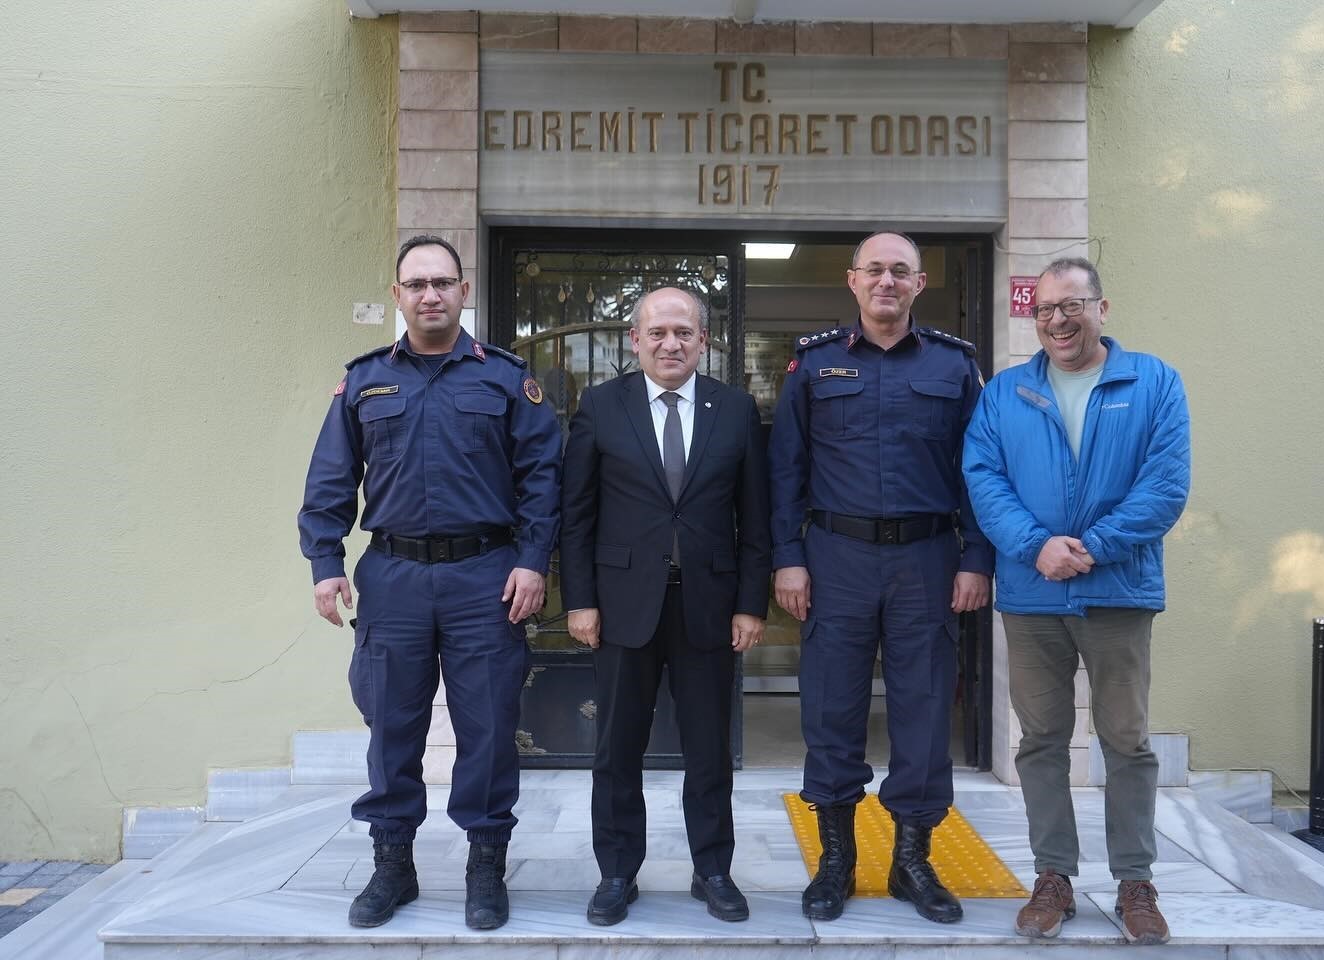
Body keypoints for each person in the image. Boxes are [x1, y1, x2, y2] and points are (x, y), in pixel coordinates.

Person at [298, 234, 562, 931]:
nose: (430, 295)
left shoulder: (505, 379)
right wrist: (325, 564)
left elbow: (543, 479)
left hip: (487, 576)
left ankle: (484, 867)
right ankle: (393, 867)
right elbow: (329, 481)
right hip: (394, 576)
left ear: (464, 292)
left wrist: (533, 560)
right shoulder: (362, 382)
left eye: (443, 282)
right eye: (416, 284)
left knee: (489, 727)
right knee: (392, 727)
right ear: (397, 296)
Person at [962, 257, 1190, 946]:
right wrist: (1037, 547)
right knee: (1041, 741)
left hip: (1117, 587)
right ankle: (1053, 876)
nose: (1058, 320)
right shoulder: (1004, 394)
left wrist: (1091, 545)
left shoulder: (1152, 382)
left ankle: (1135, 882)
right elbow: (984, 478)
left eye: (1073, 305)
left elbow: (1166, 483)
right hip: (1033, 595)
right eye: (1045, 310)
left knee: (1126, 740)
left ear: (1102, 308)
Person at [769, 231, 994, 924]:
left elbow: (979, 472)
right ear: (853, 280)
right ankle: (837, 862)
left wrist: (977, 557)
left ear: (920, 284)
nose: (888, 281)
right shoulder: (813, 365)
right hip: (836, 556)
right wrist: (788, 555)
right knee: (830, 708)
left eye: (902, 271)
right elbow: (786, 469)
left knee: (925, 710)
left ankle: (912, 863)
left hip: (927, 560)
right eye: (876, 270)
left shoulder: (956, 368)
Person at [559, 287, 770, 926]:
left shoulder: (734, 410)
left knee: (710, 750)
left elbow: (754, 518)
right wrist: (581, 602)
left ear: (704, 341)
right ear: (635, 340)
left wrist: (750, 605)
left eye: (684, 333)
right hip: (622, 607)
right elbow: (576, 516)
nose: (670, 344)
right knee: (617, 748)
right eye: (657, 333)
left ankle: (713, 869)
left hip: (709, 604)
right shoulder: (601, 405)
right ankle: (617, 872)